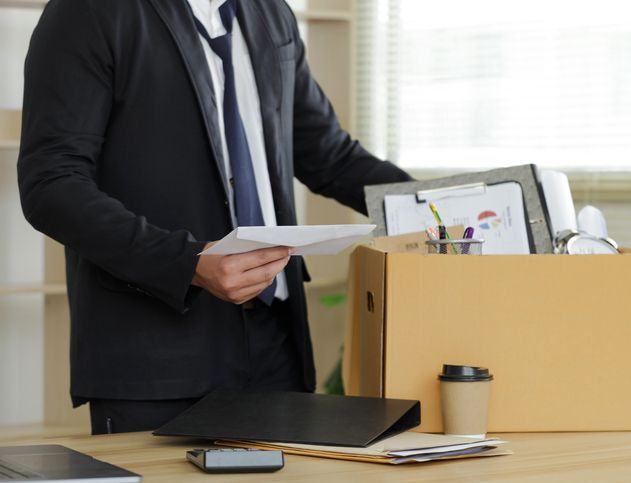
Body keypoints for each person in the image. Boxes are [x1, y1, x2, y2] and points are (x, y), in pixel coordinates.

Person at [17, 0, 411, 434]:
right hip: (157, 356)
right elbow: (51, 184)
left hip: (276, 347)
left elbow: (330, 157)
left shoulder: (272, 13)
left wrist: (432, 208)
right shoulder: (88, 11)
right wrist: (186, 262)